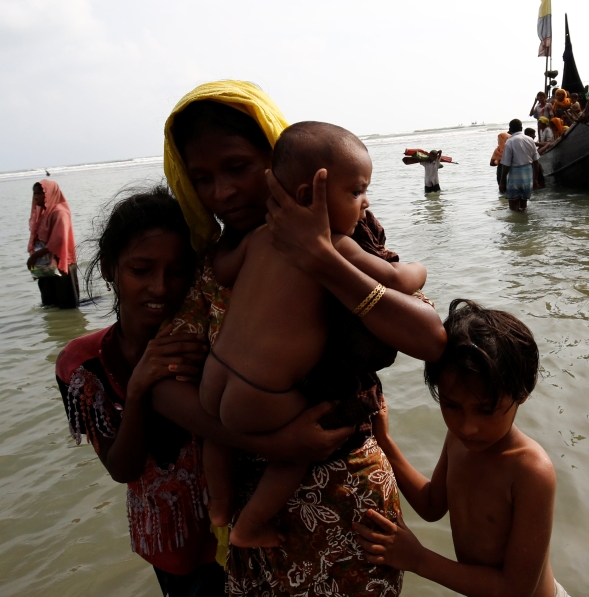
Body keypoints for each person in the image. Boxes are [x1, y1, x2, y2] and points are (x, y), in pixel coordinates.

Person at [156, 80, 446, 595]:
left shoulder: (353, 235)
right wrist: (274, 442)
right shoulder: (206, 265)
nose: (221, 192)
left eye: (238, 168)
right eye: (201, 178)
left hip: (347, 502)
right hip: (260, 514)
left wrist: (322, 260)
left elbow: (429, 338)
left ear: (279, 165)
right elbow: (162, 384)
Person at [198, 122, 429, 548]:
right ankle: (249, 526)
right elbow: (396, 281)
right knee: (306, 442)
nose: (366, 202)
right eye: (357, 191)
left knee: (215, 429)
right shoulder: (337, 246)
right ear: (310, 196)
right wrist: (420, 269)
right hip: (262, 394)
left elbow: (222, 270)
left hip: (216, 375)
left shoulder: (258, 237)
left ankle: (220, 503)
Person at [55, 187, 224, 595]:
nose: (160, 287)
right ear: (111, 269)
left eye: (178, 270)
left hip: (242, 530)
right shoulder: (82, 364)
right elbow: (122, 469)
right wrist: (137, 389)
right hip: (171, 546)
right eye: (141, 269)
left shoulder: (216, 340)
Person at [353, 299, 565, 597]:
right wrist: (385, 442)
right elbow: (431, 505)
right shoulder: (458, 441)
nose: (467, 427)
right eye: (451, 405)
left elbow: (516, 589)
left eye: (487, 410)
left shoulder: (530, 470)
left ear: (524, 389)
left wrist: (418, 559)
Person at [27, 180, 79, 308]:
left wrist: (34, 256)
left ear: (50, 193)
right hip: (47, 265)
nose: (36, 197)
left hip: (61, 264)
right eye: (35, 194)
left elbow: (59, 240)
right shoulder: (44, 213)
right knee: (50, 305)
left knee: (67, 305)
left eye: (40, 193)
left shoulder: (59, 212)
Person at [499, 119, 539, 212]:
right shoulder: (530, 140)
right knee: (523, 207)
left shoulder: (510, 142)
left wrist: (502, 182)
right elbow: (536, 161)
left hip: (515, 176)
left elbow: (506, 165)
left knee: (513, 209)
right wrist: (535, 179)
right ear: (521, 128)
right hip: (528, 176)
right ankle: (524, 223)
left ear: (510, 129)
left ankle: (518, 224)